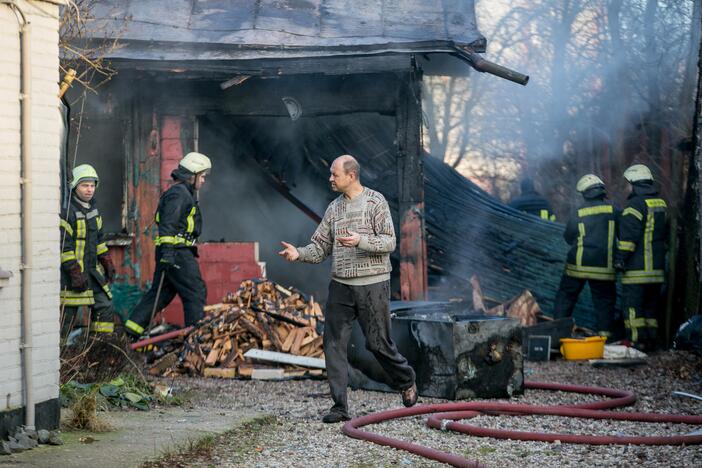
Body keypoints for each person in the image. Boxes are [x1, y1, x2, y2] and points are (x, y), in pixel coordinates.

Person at [278, 154, 418, 423]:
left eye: (335, 174)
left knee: (377, 344)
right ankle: (339, 407)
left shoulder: (376, 202)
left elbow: (389, 242)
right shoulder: (334, 209)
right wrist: (299, 253)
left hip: (372, 285)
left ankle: (406, 379)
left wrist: (361, 241)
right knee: (333, 345)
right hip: (341, 286)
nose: (330, 178)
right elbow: (320, 247)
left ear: (351, 176)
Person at [125, 152, 211, 339]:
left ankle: (129, 334)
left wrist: (166, 254)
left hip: (173, 253)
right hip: (177, 253)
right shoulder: (179, 194)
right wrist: (168, 253)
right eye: (202, 175)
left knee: (160, 295)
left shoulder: (181, 193)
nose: (203, 181)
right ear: (193, 174)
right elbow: (168, 225)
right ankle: (195, 341)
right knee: (195, 293)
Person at [553, 174, 617, 337]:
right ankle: (606, 339)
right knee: (604, 302)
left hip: (577, 266)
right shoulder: (614, 211)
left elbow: (568, 237)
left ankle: (558, 333)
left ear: (584, 193)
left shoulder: (579, 213)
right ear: (602, 191)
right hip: (604, 267)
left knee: (566, 297)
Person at [615, 164, 668, 351]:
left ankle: (636, 342)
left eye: (627, 184)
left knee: (632, 308)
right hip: (657, 270)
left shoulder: (634, 205)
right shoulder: (660, 203)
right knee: (650, 310)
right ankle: (651, 341)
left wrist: (620, 259)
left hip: (637, 270)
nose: (626, 188)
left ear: (634, 184)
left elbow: (628, 239)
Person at [60, 164, 116, 336]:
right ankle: (59, 356)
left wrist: (106, 260)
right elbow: (64, 247)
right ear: (74, 186)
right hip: (72, 276)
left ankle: (99, 348)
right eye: (85, 185)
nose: (89, 189)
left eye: (92, 185)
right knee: (66, 318)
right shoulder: (66, 212)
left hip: (92, 273)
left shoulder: (93, 211)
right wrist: (74, 272)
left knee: (105, 306)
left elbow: (98, 241)